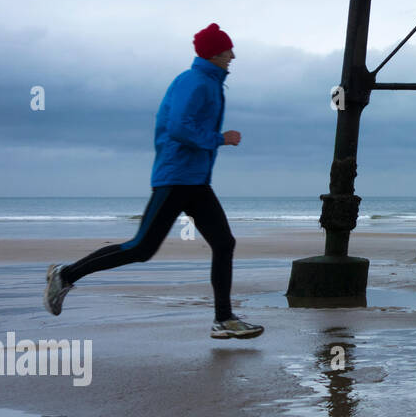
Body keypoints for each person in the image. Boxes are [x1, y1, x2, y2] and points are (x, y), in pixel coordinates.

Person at [44, 23, 263, 339]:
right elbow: (178, 127)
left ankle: (224, 319)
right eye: (229, 50)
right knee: (140, 248)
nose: (233, 55)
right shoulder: (195, 82)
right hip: (175, 179)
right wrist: (219, 138)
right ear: (215, 53)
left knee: (224, 242)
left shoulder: (210, 82)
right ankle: (66, 275)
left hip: (196, 181)